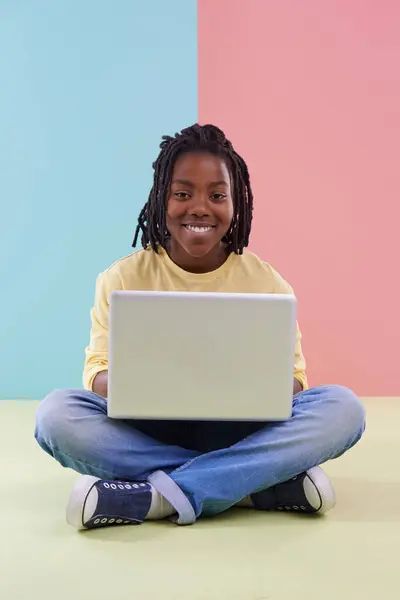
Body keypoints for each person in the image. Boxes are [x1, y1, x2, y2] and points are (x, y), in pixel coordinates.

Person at [35, 124, 366, 530]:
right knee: (56, 415)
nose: (200, 207)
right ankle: (252, 485)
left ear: (235, 202)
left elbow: (294, 379)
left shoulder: (268, 284)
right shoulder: (120, 278)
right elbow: (97, 373)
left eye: (217, 195)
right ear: (162, 199)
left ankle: (156, 497)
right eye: (183, 193)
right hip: (147, 432)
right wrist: (156, 388)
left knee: (343, 408)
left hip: (241, 432)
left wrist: (243, 391)